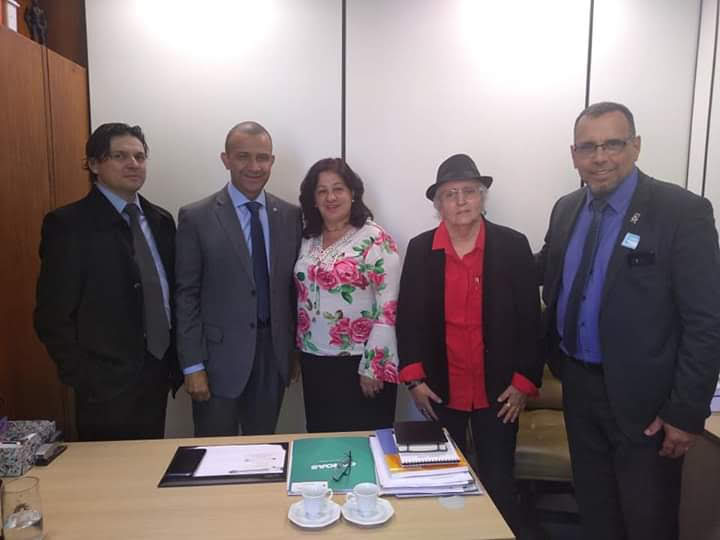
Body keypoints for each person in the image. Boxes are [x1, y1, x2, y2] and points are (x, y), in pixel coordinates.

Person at [537, 101, 720, 540]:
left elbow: (706, 320)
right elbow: (546, 272)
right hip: (579, 388)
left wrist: (685, 412)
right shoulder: (566, 209)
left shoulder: (681, 211)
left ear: (635, 146)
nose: (600, 158)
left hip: (647, 404)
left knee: (648, 521)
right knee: (596, 512)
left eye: (613, 144)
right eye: (588, 147)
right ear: (574, 155)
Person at [397, 154, 543, 540]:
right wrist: (414, 379)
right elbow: (408, 317)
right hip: (440, 387)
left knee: (498, 481)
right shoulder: (420, 249)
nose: (460, 201)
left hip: (499, 391)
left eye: (469, 192)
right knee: (443, 482)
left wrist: (524, 382)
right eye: (450, 194)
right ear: (438, 205)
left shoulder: (512, 245)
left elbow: (532, 321)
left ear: (482, 198)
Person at [34, 123, 181, 441]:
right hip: (103, 386)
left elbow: (171, 294)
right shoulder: (69, 225)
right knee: (108, 470)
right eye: (120, 156)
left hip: (157, 372)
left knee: (151, 465)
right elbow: (52, 316)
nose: (133, 164)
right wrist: (83, 377)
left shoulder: (161, 221)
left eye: (139, 156)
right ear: (94, 164)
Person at [176, 121, 302, 437]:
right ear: (226, 159)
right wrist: (192, 365)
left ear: (272, 161)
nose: (254, 166)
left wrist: (292, 352)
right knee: (214, 453)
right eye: (243, 156)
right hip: (217, 361)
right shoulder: (197, 216)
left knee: (264, 451)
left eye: (262, 158)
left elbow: (292, 290)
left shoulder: (290, 216)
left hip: (273, 357)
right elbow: (186, 294)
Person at [295, 158, 400, 432]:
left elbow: (389, 306)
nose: (330, 197)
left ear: (353, 193)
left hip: (361, 364)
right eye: (322, 191)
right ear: (313, 199)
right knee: (322, 439)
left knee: (365, 443)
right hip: (314, 361)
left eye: (338, 189)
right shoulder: (307, 238)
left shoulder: (375, 239)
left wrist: (374, 366)